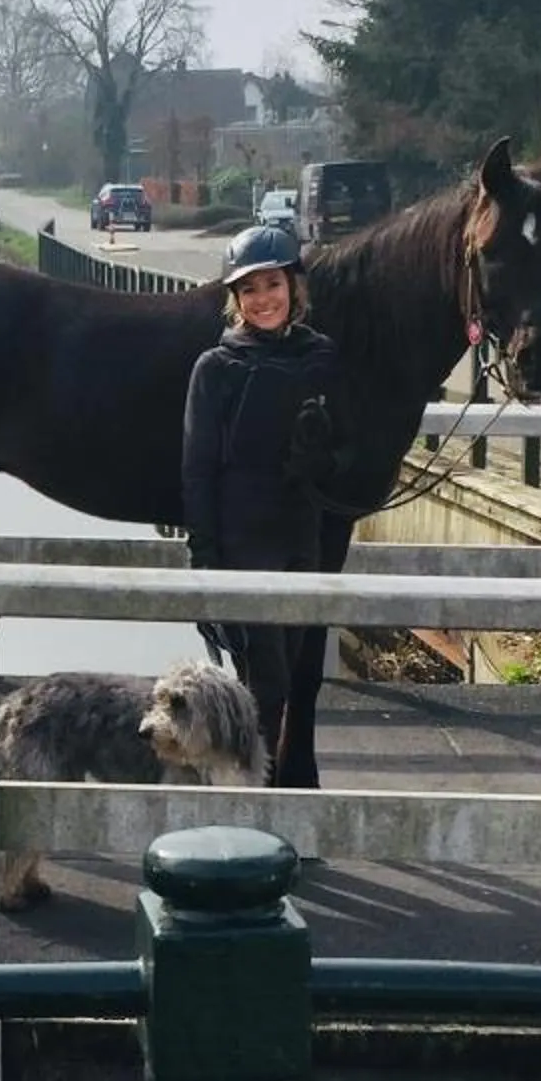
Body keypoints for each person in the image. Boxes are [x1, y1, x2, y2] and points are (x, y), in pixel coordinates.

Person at [181, 223, 338, 789]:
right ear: (235, 300)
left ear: (294, 287)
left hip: (301, 542)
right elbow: (197, 473)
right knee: (263, 686)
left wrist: (322, 451)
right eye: (249, 290)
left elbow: (343, 463)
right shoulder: (216, 369)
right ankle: (250, 813)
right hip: (243, 548)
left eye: (272, 284)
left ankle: (259, 807)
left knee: (293, 680)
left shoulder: (321, 358)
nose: (263, 299)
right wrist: (204, 568)